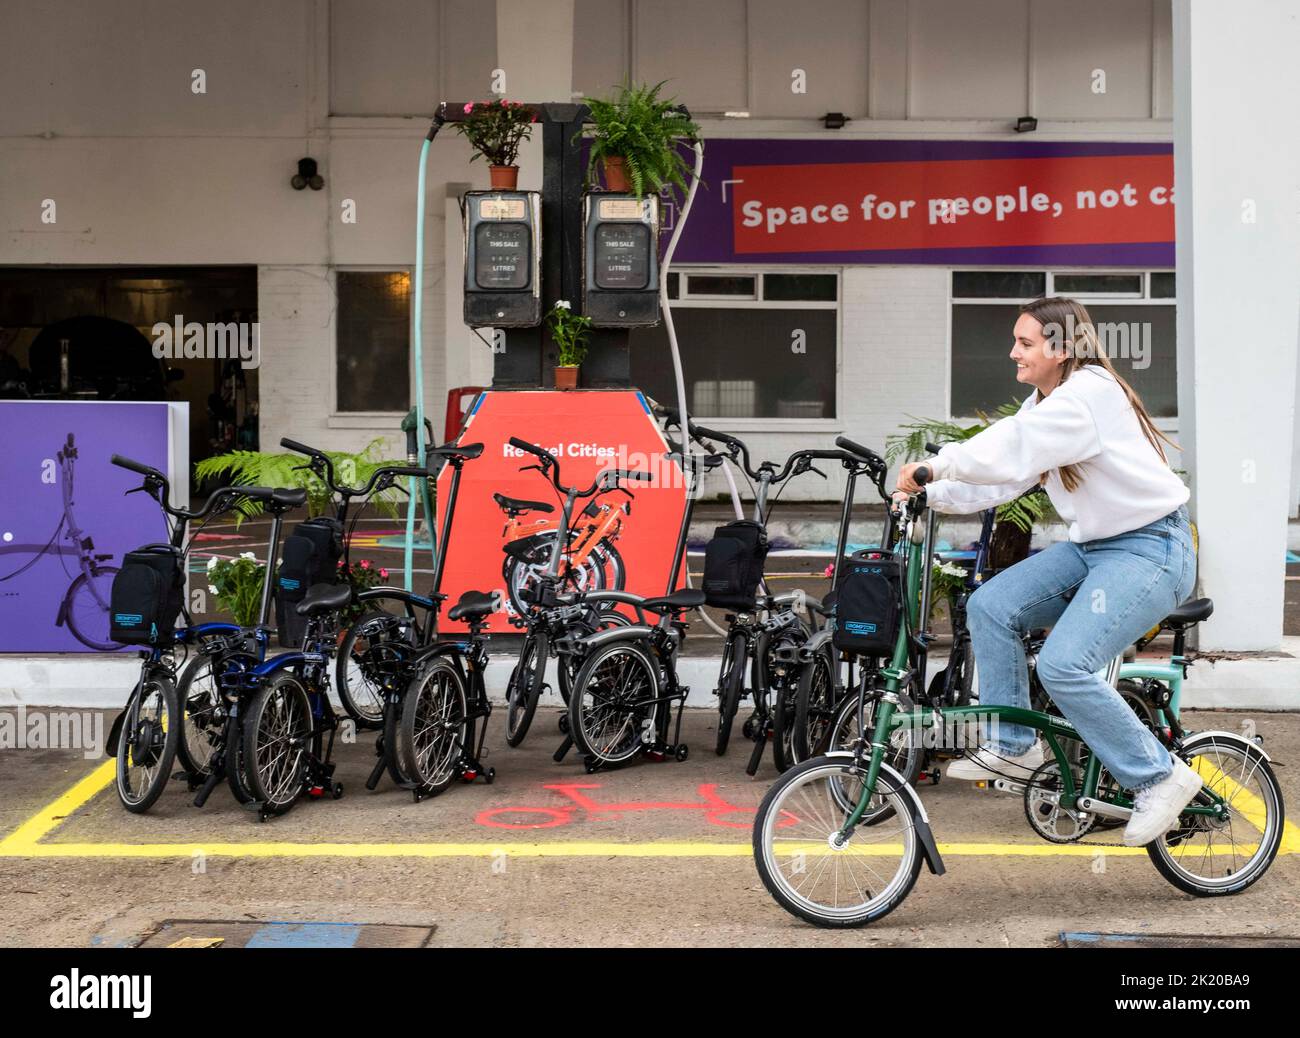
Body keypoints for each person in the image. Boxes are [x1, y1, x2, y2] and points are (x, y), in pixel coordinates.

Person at [894, 296, 1199, 846]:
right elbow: (1006, 477)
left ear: (1061, 349)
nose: (1014, 353)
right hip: (1094, 549)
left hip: (1151, 549)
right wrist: (929, 493)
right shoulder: (1045, 402)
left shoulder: (1088, 397)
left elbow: (1011, 447)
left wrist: (934, 463)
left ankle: (1160, 776)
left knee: (1064, 664)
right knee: (990, 605)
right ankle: (1014, 745)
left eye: (1026, 343)